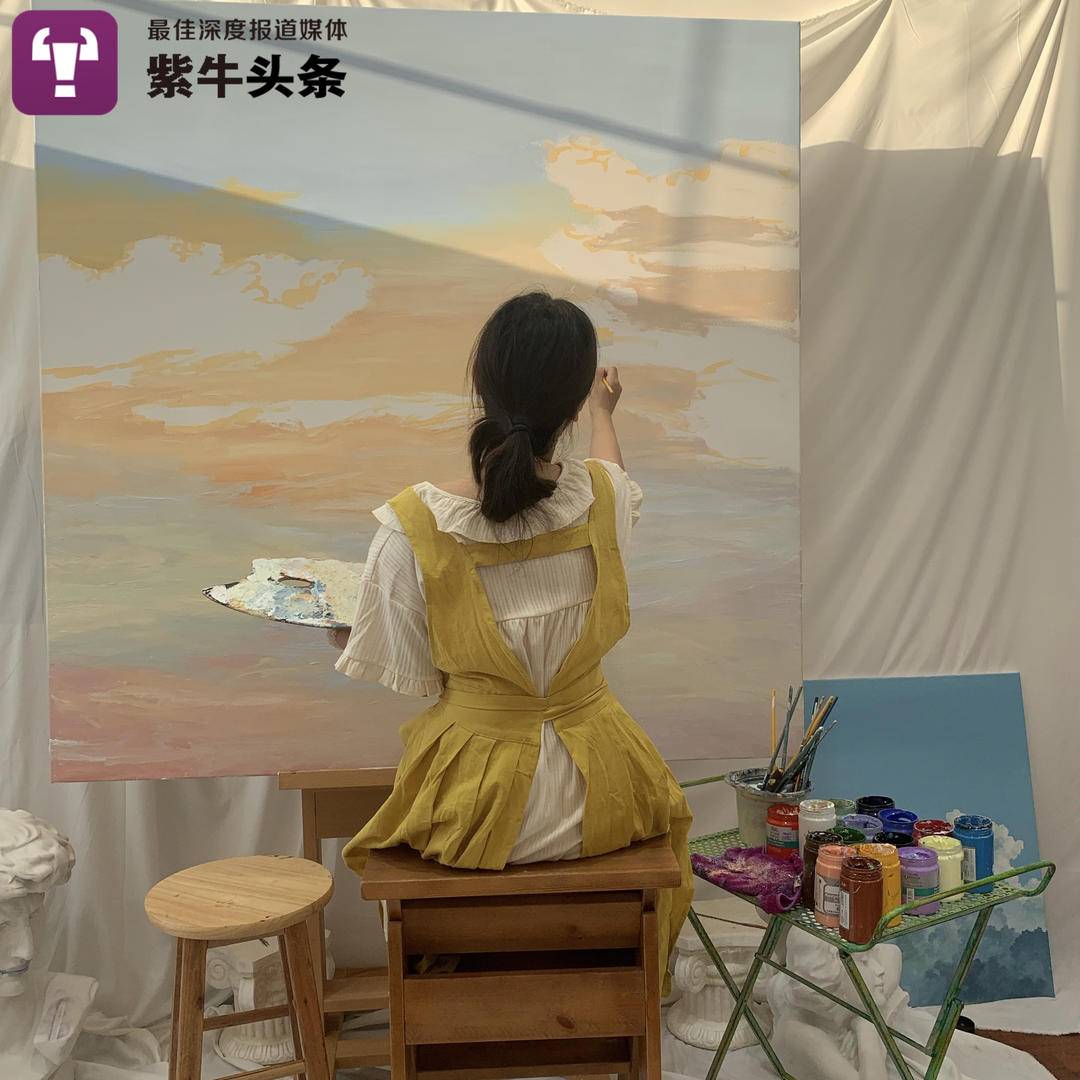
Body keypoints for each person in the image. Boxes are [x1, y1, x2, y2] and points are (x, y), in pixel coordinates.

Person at [331, 290, 693, 983]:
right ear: (574, 402)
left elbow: (416, 674)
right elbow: (614, 476)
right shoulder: (607, 501)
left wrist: (345, 632)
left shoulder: (410, 526)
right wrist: (604, 414)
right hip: (607, 801)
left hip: (481, 818)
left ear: (482, 386)